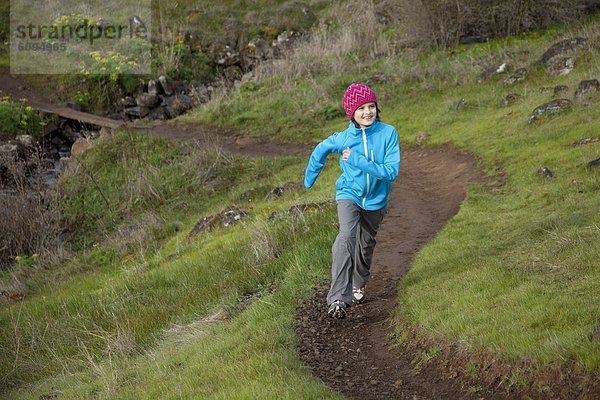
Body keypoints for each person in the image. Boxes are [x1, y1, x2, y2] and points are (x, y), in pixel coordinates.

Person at [304, 83, 401, 319]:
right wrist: (310, 178)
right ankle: (338, 297)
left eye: (371, 107)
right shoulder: (344, 138)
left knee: (365, 245)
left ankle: (359, 281)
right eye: (361, 108)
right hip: (349, 193)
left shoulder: (388, 133)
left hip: (376, 200)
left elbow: (391, 172)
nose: (368, 112)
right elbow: (320, 150)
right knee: (346, 236)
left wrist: (358, 160)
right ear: (351, 113)